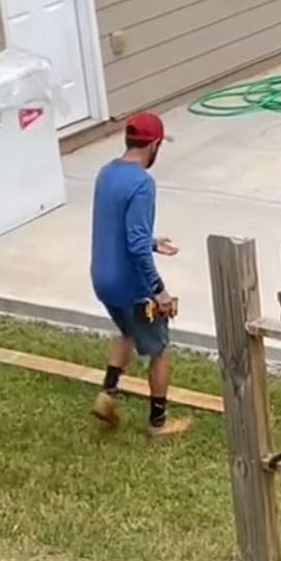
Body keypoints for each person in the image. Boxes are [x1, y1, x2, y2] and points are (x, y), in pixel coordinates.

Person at [89, 111, 190, 437]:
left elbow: (119, 229)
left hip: (102, 279)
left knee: (126, 331)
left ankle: (107, 394)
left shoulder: (107, 173)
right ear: (155, 145)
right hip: (131, 284)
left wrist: (152, 242)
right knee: (159, 350)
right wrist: (158, 291)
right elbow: (134, 247)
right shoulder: (142, 184)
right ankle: (158, 422)